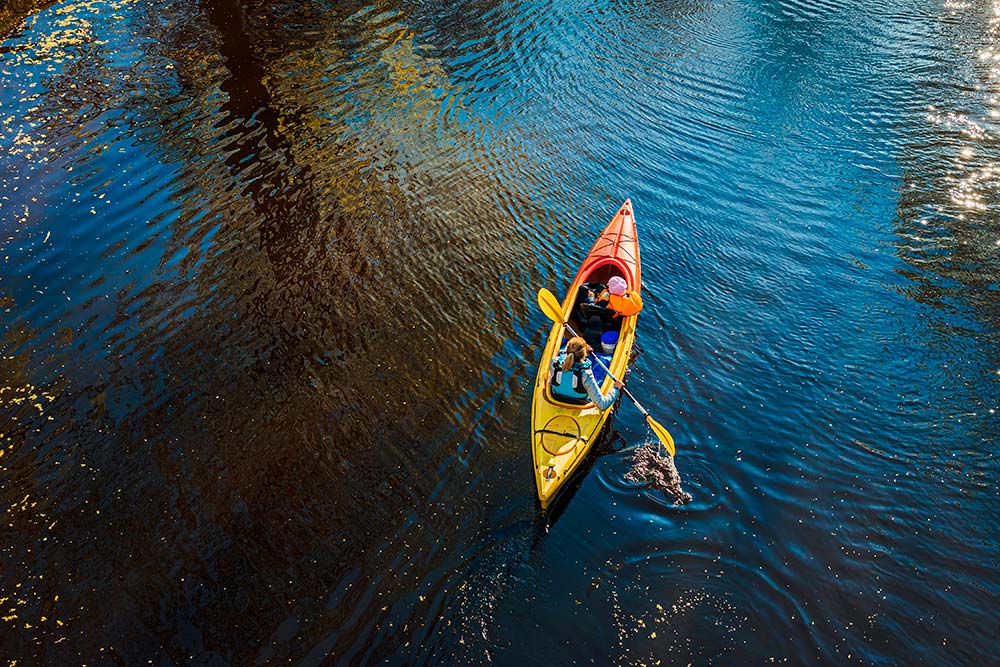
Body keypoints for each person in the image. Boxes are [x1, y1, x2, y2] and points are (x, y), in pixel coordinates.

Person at [550, 336, 623, 409]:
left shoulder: (554, 362)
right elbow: (602, 405)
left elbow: (566, 359)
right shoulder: (586, 373)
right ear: (584, 354)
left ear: (567, 350)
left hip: (557, 396)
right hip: (580, 402)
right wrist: (616, 389)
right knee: (607, 361)